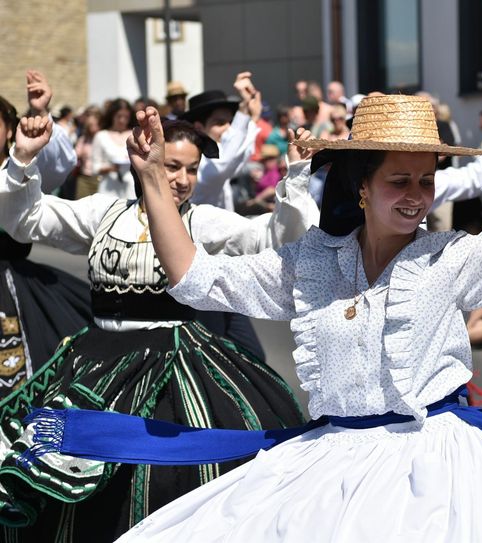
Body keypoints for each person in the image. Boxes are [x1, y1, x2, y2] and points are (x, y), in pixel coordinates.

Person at [31, 52, 482, 543]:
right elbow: (193, 277)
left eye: (425, 180)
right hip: (329, 463)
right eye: (398, 181)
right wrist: (151, 179)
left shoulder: (450, 259)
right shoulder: (312, 265)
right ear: (360, 184)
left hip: (436, 466)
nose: (416, 195)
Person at [0, 117, 312, 540]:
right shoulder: (104, 213)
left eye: (191, 168)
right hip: (97, 363)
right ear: (141, 160)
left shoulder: (203, 221)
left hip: (176, 363)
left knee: (171, 477)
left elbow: (276, 236)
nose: (182, 179)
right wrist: (22, 156)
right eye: (171, 166)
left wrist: (295, 176)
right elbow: (25, 220)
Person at [0, 72, 87, 399]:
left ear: (10, 129)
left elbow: (59, 164)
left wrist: (39, 113)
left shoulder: (22, 171)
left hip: (15, 281)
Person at [182, 71, 262, 212]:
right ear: (199, 128)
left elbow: (238, 157)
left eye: (230, 122)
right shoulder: (197, 162)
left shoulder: (222, 156)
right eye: (220, 123)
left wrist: (253, 117)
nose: (228, 128)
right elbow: (223, 163)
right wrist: (244, 110)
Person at [93, 98, 136, 198]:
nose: (122, 120)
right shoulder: (101, 136)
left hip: (131, 189)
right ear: (112, 116)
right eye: (119, 116)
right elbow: (94, 168)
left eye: (126, 117)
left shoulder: (134, 134)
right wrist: (110, 168)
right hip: (108, 191)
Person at [73, 106, 103, 199]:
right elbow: (75, 155)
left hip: (101, 179)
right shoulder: (84, 139)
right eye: (90, 125)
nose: (93, 128)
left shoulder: (104, 138)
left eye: (95, 124)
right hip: (84, 178)